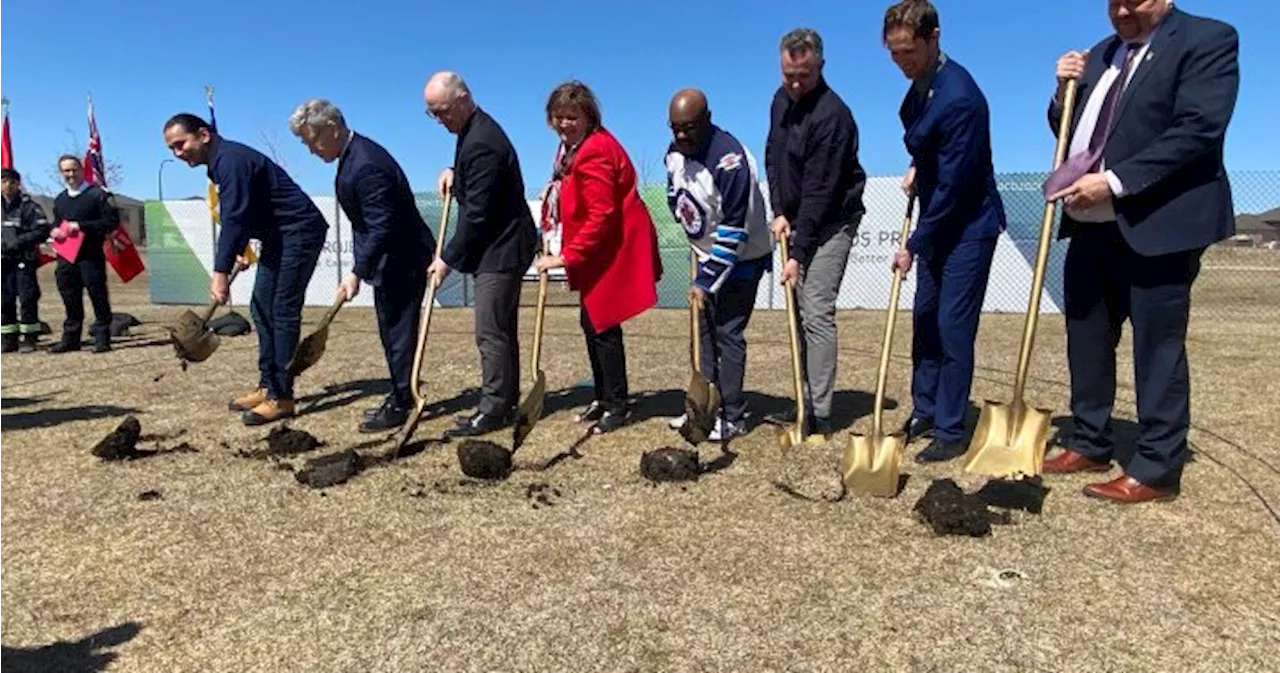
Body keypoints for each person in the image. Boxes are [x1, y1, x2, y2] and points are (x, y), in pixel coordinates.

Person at [1041, 0, 1239, 503]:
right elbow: (1074, 129)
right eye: (1114, 2)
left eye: (1134, 0)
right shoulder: (1103, 54)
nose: (1122, 10)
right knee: (1086, 336)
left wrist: (1113, 182)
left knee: (1158, 347)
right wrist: (1062, 90)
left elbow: (1198, 129)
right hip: (1090, 226)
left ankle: (1156, 467)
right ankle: (1089, 439)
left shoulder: (1206, 40)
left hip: (1159, 223)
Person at [883, 0, 1006, 463]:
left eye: (908, 52)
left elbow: (956, 186)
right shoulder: (921, 88)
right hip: (938, 219)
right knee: (925, 320)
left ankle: (952, 428)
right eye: (894, 54)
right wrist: (919, 165)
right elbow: (931, 150)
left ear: (934, 38)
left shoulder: (960, 97)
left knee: (953, 326)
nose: (902, 62)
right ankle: (926, 409)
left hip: (968, 226)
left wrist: (914, 244)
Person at [163, 113, 330, 426]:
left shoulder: (231, 161)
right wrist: (241, 250)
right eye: (171, 148)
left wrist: (220, 271)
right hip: (276, 236)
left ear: (204, 134)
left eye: (181, 144)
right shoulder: (221, 163)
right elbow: (248, 211)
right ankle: (267, 383)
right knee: (260, 306)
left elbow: (235, 218)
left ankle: (281, 397)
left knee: (281, 309)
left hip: (299, 232)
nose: (177, 153)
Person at [289, 98, 437, 433]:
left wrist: (357, 271)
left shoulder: (366, 164)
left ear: (332, 129)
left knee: (399, 331)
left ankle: (403, 400)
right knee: (391, 330)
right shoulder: (352, 157)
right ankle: (400, 392)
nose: (310, 149)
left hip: (402, 257)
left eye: (311, 140)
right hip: (389, 257)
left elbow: (382, 225)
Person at [533, 80, 662, 435]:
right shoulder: (572, 149)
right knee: (592, 323)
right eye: (558, 116)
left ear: (588, 117)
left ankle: (617, 405)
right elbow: (572, 184)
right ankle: (605, 398)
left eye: (571, 117)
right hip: (600, 248)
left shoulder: (595, 150)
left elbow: (602, 213)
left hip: (613, 247)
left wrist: (567, 257)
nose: (564, 124)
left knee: (603, 325)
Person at [423, 71, 539, 438]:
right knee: (499, 331)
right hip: (499, 245)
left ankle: (494, 410)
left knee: (491, 332)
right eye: (432, 114)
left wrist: (446, 259)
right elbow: (476, 180)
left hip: (502, 248)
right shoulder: (473, 133)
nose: (439, 121)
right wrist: (454, 171)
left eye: (442, 111)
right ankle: (502, 401)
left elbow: (477, 215)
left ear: (462, 99)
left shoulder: (482, 141)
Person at [765, 27, 867, 437]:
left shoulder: (833, 116)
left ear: (820, 67)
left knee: (816, 309)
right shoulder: (779, 101)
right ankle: (801, 397)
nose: (794, 83)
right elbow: (774, 156)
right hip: (795, 221)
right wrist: (778, 211)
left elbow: (820, 191)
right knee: (797, 311)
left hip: (832, 221)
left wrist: (798, 254)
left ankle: (820, 412)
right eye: (788, 73)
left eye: (803, 75)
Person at [663, 88, 772, 441]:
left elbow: (734, 229)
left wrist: (706, 280)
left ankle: (733, 414)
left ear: (707, 120)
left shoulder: (731, 161)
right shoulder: (674, 153)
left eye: (689, 128)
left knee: (727, 333)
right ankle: (701, 409)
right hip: (707, 252)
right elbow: (675, 194)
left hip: (742, 257)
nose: (681, 135)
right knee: (704, 334)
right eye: (675, 128)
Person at [49, 155, 119, 354]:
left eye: (73, 170)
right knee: (69, 297)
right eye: (66, 171)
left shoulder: (98, 195)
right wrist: (54, 231)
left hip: (90, 255)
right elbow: (57, 222)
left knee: (97, 296)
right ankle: (71, 338)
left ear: (81, 169)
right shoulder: (60, 199)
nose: (70, 175)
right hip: (66, 256)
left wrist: (80, 226)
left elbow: (111, 223)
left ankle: (102, 337)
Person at [0, 168, 52, 353]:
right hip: (2, 262)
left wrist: (19, 241)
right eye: (4, 181)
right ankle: (8, 338)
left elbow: (43, 230)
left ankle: (29, 338)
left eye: (12, 182)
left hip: (23, 259)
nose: (8, 185)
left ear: (18, 184)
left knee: (28, 298)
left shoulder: (29, 206)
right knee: (4, 300)